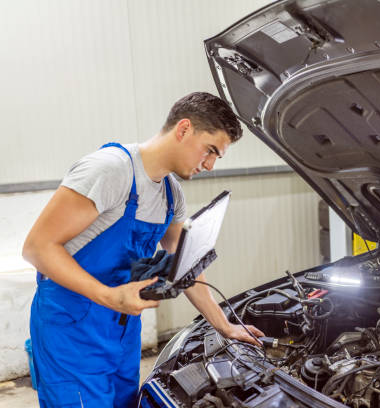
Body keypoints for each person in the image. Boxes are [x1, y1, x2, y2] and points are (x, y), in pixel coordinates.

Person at [22, 91, 264, 407]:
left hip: (121, 331)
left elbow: (187, 263)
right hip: (72, 330)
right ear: (184, 129)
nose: (210, 165)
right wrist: (108, 296)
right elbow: (37, 248)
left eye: (217, 157)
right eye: (210, 151)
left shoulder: (170, 193)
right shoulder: (110, 170)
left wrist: (224, 325)